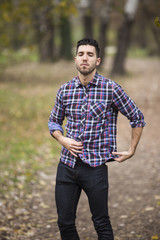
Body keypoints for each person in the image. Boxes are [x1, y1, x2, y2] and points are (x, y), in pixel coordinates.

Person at [48, 38, 146, 240]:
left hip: (95, 168)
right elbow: (53, 122)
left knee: (101, 223)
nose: (85, 58)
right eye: (81, 54)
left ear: (97, 60)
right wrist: (62, 139)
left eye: (90, 55)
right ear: (75, 59)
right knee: (64, 223)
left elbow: (137, 116)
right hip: (66, 165)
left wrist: (132, 150)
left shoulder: (111, 89)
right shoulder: (64, 90)